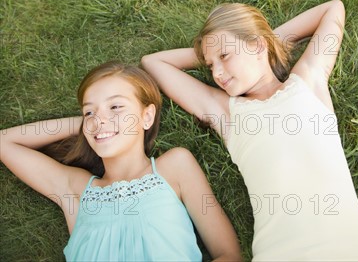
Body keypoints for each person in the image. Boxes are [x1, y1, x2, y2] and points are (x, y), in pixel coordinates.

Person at [141, 0, 358, 262]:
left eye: (224, 56)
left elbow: (334, 9)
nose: (216, 72)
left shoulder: (309, 81)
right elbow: (153, 62)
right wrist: (212, 50)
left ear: (258, 44)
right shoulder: (226, 112)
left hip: (355, 250)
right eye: (210, 65)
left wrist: (268, 41)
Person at [0, 61, 242, 262]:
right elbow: (5, 143)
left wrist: (99, 121)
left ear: (147, 116)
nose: (100, 119)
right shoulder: (75, 190)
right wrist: (88, 125)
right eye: (89, 111)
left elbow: (228, 254)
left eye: (115, 106)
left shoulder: (174, 167)